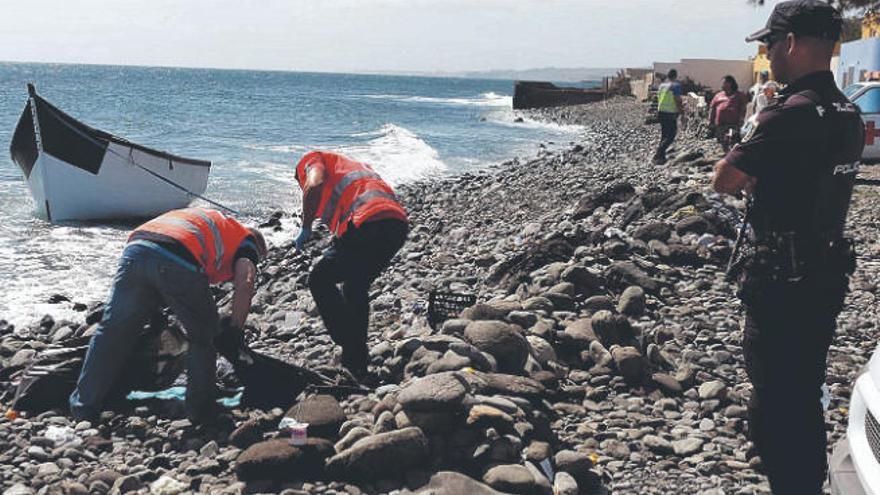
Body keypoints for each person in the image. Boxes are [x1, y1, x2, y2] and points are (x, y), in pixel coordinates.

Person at [712, 2, 864, 493]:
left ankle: (791, 482)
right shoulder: (849, 112)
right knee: (802, 387)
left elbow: (725, 179)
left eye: (770, 43)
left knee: (775, 396)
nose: (767, 52)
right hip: (823, 273)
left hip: (780, 278)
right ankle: (804, 477)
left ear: (793, 43)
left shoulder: (787, 112)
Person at [69, 208, 268, 424]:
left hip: (136, 249)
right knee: (205, 336)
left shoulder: (211, 223)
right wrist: (236, 330)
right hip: (177, 256)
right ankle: (201, 409)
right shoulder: (245, 241)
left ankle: (84, 406)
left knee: (112, 331)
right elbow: (245, 282)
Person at [293, 151, 408, 379]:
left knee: (319, 279)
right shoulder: (353, 166)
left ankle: (351, 345)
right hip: (396, 226)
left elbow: (313, 186)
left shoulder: (312, 160)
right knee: (355, 287)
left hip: (367, 222)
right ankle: (357, 362)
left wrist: (306, 226)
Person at [652, 69, 684, 165]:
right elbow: (677, 99)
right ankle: (658, 154)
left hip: (661, 111)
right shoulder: (675, 86)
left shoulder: (662, 86)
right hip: (670, 113)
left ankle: (661, 157)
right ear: (675, 76)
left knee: (664, 134)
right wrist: (681, 111)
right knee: (671, 135)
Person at [709, 75, 748, 152]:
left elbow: (743, 108)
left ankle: (733, 158)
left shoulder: (739, 95)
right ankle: (725, 156)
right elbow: (712, 109)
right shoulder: (718, 95)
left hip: (733, 124)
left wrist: (741, 120)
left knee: (732, 142)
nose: (722, 85)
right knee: (722, 142)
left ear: (730, 83)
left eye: (724, 83)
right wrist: (710, 121)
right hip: (720, 125)